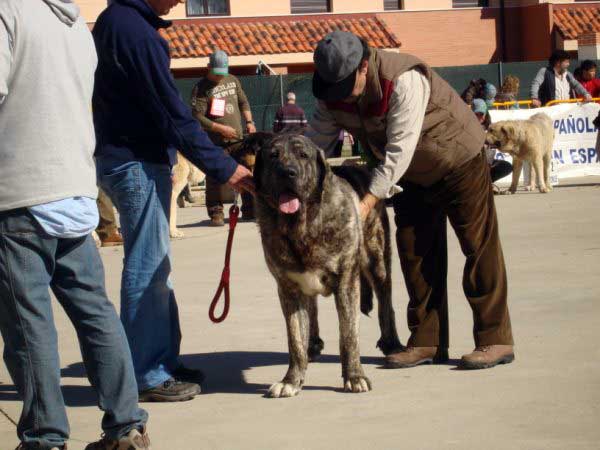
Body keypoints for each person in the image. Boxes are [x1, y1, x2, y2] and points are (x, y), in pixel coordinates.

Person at [307, 31, 515, 370]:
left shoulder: (403, 79)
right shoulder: (331, 96)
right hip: (410, 179)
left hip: (458, 161)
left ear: (363, 66)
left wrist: (364, 204)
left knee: (479, 248)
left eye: (345, 87)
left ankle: (495, 338)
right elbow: (314, 145)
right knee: (415, 255)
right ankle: (427, 341)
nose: (339, 98)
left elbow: (398, 150)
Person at [0, 1, 150, 449]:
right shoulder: (75, 23)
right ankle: (127, 427)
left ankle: (45, 438)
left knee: (30, 326)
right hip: (74, 191)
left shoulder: (8, 12)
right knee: (96, 314)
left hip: (19, 192)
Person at [92, 0, 254, 402]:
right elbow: (172, 114)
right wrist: (225, 168)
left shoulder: (125, 24)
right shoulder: (134, 33)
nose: (182, 0)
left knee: (156, 265)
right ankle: (148, 373)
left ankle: (163, 361)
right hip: (136, 162)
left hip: (133, 157)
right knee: (147, 267)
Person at [191, 50, 257, 225]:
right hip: (216, 143)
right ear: (208, 68)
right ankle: (216, 213)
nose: (220, 77)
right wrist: (220, 128)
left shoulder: (233, 80)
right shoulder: (201, 88)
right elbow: (197, 116)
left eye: (223, 72)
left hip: (238, 140)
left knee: (245, 173)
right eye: (217, 73)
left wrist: (249, 121)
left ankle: (250, 210)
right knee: (214, 178)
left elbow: (243, 102)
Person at [472, 100, 513, 187]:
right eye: (477, 114)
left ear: (486, 113)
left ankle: (486, 184)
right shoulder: (467, 126)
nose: (480, 117)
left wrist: (499, 144)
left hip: (487, 161)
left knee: (506, 166)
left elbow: (499, 144)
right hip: (473, 163)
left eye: (482, 114)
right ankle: (480, 185)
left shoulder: (490, 128)